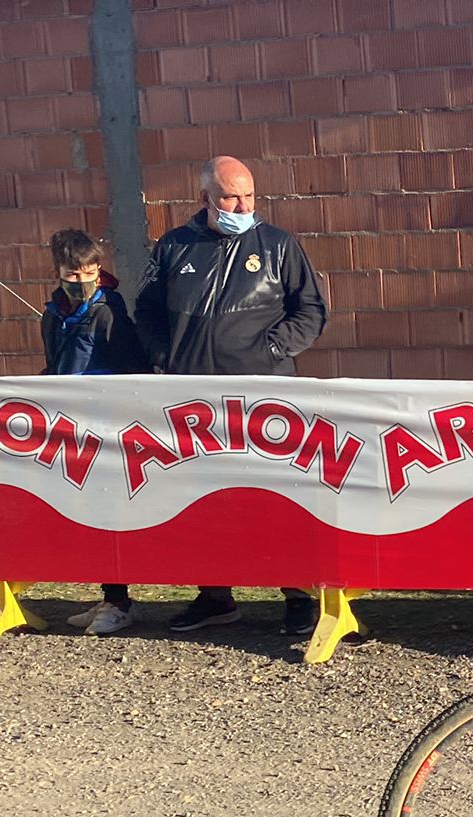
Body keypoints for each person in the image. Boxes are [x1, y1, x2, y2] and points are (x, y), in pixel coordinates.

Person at [136, 156, 329, 636]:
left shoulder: (278, 245)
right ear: (205, 197)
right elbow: (147, 311)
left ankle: (298, 596)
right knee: (202, 500)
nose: (242, 207)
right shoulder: (173, 247)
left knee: (276, 498)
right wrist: (166, 356)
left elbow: (310, 310)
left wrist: (271, 350)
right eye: (230, 197)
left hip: (264, 396)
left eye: (248, 196)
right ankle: (214, 596)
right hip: (192, 398)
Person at [42, 227, 152, 637]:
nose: (83, 280)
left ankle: (120, 602)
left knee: (111, 512)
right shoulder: (53, 314)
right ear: (58, 272)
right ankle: (111, 594)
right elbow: (55, 364)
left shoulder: (108, 312)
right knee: (88, 513)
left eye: (91, 272)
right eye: (74, 274)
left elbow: (132, 368)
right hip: (72, 424)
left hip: (109, 426)